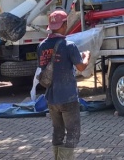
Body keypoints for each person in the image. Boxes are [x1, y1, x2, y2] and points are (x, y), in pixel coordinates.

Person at [38, 9, 90, 160]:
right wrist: (86, 56)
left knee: (58, 131)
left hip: (51, 97)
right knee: (73, 132)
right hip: (68, 96)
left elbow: (41, 69)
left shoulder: (41, 46)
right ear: (64, 24)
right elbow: (81, 67)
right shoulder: (69, 45)